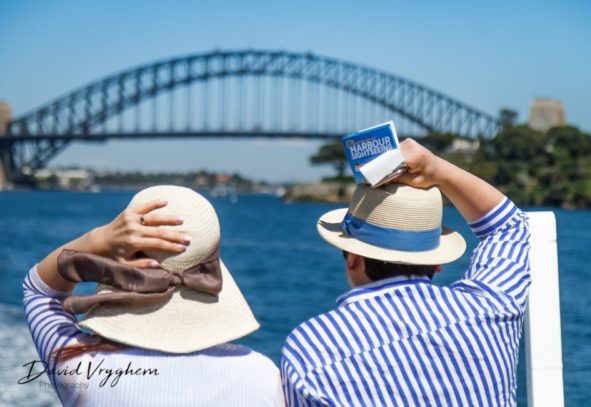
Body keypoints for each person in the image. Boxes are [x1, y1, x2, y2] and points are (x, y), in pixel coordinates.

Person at [281, 138, 531, 406]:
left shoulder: (311, 351)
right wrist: (437, 169)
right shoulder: (492, 307)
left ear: (352, 257)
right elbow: (511, 228)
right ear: (437, 262)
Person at [23, 185, 284, 406]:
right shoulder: (266, 378)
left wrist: (98, 239)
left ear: (120, 258)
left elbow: (39, 290)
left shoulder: (83, 369)